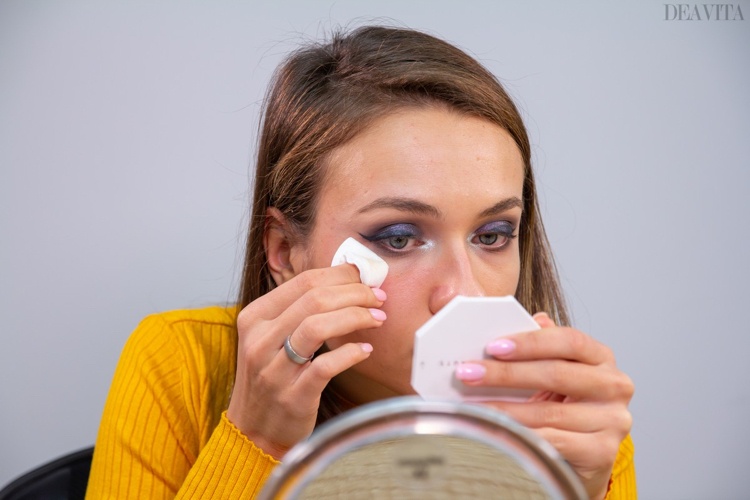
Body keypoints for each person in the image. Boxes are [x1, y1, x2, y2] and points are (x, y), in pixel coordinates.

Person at [86, 25, 635, 499]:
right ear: (285, 251)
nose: (463, 292)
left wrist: (569, 489)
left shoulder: (572, 414)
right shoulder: (179, 366)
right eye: (398, 238)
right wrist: (256, 443)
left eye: (492, 235)